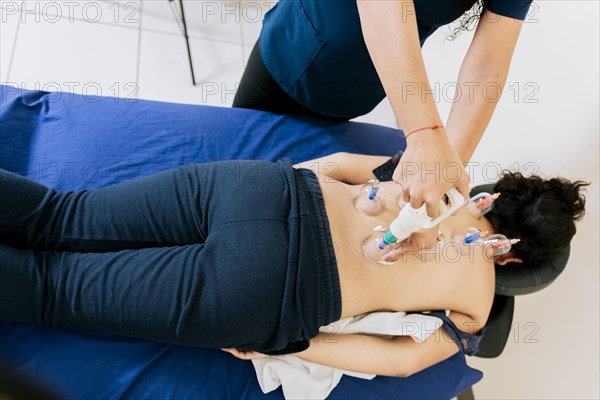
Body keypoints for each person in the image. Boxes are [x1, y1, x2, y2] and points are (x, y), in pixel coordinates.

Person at [0, 153, 587, 377]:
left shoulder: (436, 173)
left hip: (256, 191)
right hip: (270, 287)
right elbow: (402, 363)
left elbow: (331, 164)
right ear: (514, 257)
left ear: (498, 191)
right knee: (54, 290)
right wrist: (290, 347)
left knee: (61, 214)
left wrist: (275, 197)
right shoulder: (479, 302)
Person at [233, 0, 534, 245]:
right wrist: (425, 136)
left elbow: (487, 69)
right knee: (239, 170)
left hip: (359, 83)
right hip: (294, 50)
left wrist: (442, 179)